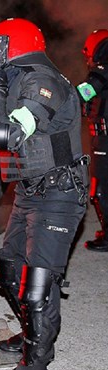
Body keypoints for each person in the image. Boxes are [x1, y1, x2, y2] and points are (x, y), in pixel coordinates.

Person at [0, 18, 89, 370]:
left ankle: (36, 369)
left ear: (17, 46)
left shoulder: (44, 81)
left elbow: (8, 133)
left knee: (37, 288)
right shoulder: (15, 79)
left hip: (59, 195)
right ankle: (32, 334)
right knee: (9, 268)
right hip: (31, 191)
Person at [77, 29, 108, 251]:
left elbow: (87, 91)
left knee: (100, 191)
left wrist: (66, 98)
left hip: (105, 140)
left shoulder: (103, 67)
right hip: (102, 137)